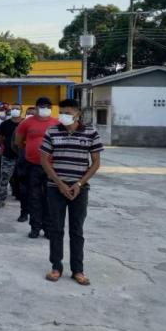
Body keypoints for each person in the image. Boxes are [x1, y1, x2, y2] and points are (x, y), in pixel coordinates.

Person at [40, 99, 103, 286]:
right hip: (55, 188)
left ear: (78, 113)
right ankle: (56, 267)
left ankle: (78, 270)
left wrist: (79, 184)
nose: (63, 116)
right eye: (61, 112)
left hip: (79, 190)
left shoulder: (90, 132)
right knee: (56, 229)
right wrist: (59, 183)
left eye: (67, 112)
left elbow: (96, 163)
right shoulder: (52, 131)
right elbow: (44, 160)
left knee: (77, 230)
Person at [15, 97, 59, 239]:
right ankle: (35, 227)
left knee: (49, 198)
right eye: (42, 106)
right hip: (32, 165)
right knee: (34, 197)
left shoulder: (56, 123)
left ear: (51, 108)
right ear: (36, 107)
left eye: (47, 106)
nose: (45, 108)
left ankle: (48, 228)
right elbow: (19, 142)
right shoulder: (26, 123)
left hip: (51, 167)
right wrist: (30, 151)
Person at [0, 103, 23, 208]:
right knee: (5, 178)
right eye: (14, 109)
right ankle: (1, 200)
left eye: (18, 109)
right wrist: (5, 146)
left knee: (23, 178)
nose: (15, 110)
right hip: (8, 155)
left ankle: (23, 198)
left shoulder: (25, 123)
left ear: (21, 111)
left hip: (23, 157)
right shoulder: (5, 124)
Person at [13, 106, 36, 222]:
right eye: (29, 113)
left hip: (39, 165)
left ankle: (37, 217)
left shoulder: (43, 128)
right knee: (24, 190)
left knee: (38, 192)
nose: (30, 115)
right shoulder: (21, 127)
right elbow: (15, 144)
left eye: (33, 113)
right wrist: (23, 153)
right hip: (23, 163)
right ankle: (24, 212)